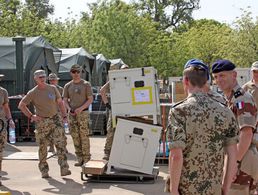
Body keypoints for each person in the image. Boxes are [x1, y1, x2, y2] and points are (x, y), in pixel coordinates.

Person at [167, 59, 239, 195]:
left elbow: (176, 156)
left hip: (186, 189)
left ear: (185, 81)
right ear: (206, 82)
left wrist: (174, 189)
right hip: (214, 188)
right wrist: (225, 187)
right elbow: (232, 154)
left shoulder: (179, 111)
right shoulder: (225, 111)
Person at [212, 59, 257, 191]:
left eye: (222, 75)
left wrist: (233, 164)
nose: (219, 80)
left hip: (242, 160)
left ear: (234, 75)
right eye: (216, 77)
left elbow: (246, 134)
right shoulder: (228, 99)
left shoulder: (241, 99)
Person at [18, 70, 71, 178]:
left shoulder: (52, 88)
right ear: (35, 79)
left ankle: (64, 168)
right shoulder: (33, 92)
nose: (42, 78)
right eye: (40, 77)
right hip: (42, 122)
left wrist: (65, 116)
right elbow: (21, 105)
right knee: (43, 147)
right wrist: (32, 116)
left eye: (43, 76)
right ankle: (44, 170)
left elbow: (60, 103)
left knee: (60, 144)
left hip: (55, 119)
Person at [63, 64, 93, 166]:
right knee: (75, 136)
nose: (76, 74)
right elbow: (65, 100)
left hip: (83, 113)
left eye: (78, 72)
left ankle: (86, 159)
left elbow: (90, 99)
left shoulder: (86, 84)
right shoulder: (67, 86)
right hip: (72, 114)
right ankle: (79, 158)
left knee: (84, 136)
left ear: (80, 73)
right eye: (73, 72)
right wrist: (69, 108)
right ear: (71, 73)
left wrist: (80, 108)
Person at [100, 64, 129, 161]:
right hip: (115, 110)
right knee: (111, 131)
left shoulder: (131, 79)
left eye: (126, 70)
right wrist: (107, 104)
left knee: (126, 131)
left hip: (128, 110)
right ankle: (107, 152)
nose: (124, 71)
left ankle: (122, 153)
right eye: (123, 70)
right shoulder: (114, 79)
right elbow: (102, 90)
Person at [0, 74, 15, 185]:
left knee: (0, 151)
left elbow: (6, 107)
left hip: (1, 123)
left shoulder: (3, 91)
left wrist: (10, 120)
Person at [47, 73, 66, 153]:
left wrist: (64, 113)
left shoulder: (61, 89)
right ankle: (51, 147)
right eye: (51, 80)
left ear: (57, 81)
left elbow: (64, 101)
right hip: (49, 112)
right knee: (50, 130)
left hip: (59, 112)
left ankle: (63, 147)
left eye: (54, 80)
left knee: (61, 130)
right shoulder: (46, 89)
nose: (52, 82)